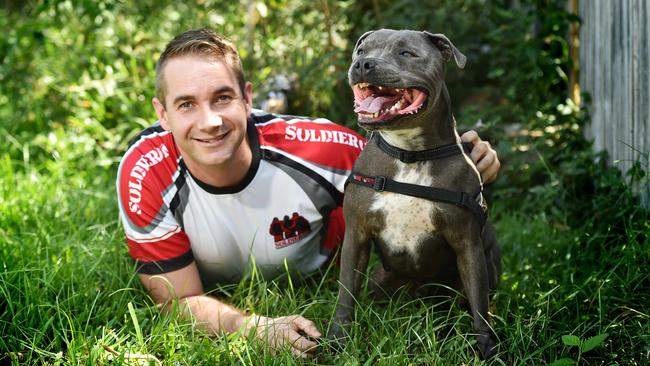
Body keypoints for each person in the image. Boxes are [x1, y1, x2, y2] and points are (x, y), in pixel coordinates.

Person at [116, 28, 501, 358]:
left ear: (248, 98)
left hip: (335, 271)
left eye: (222, 98)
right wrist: (249, 327)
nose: (210, 121)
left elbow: (414, 151)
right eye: (186, 104)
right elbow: (177, 300)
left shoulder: (320, 149)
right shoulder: (146, 174)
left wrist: (474, 158)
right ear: (162, 113)